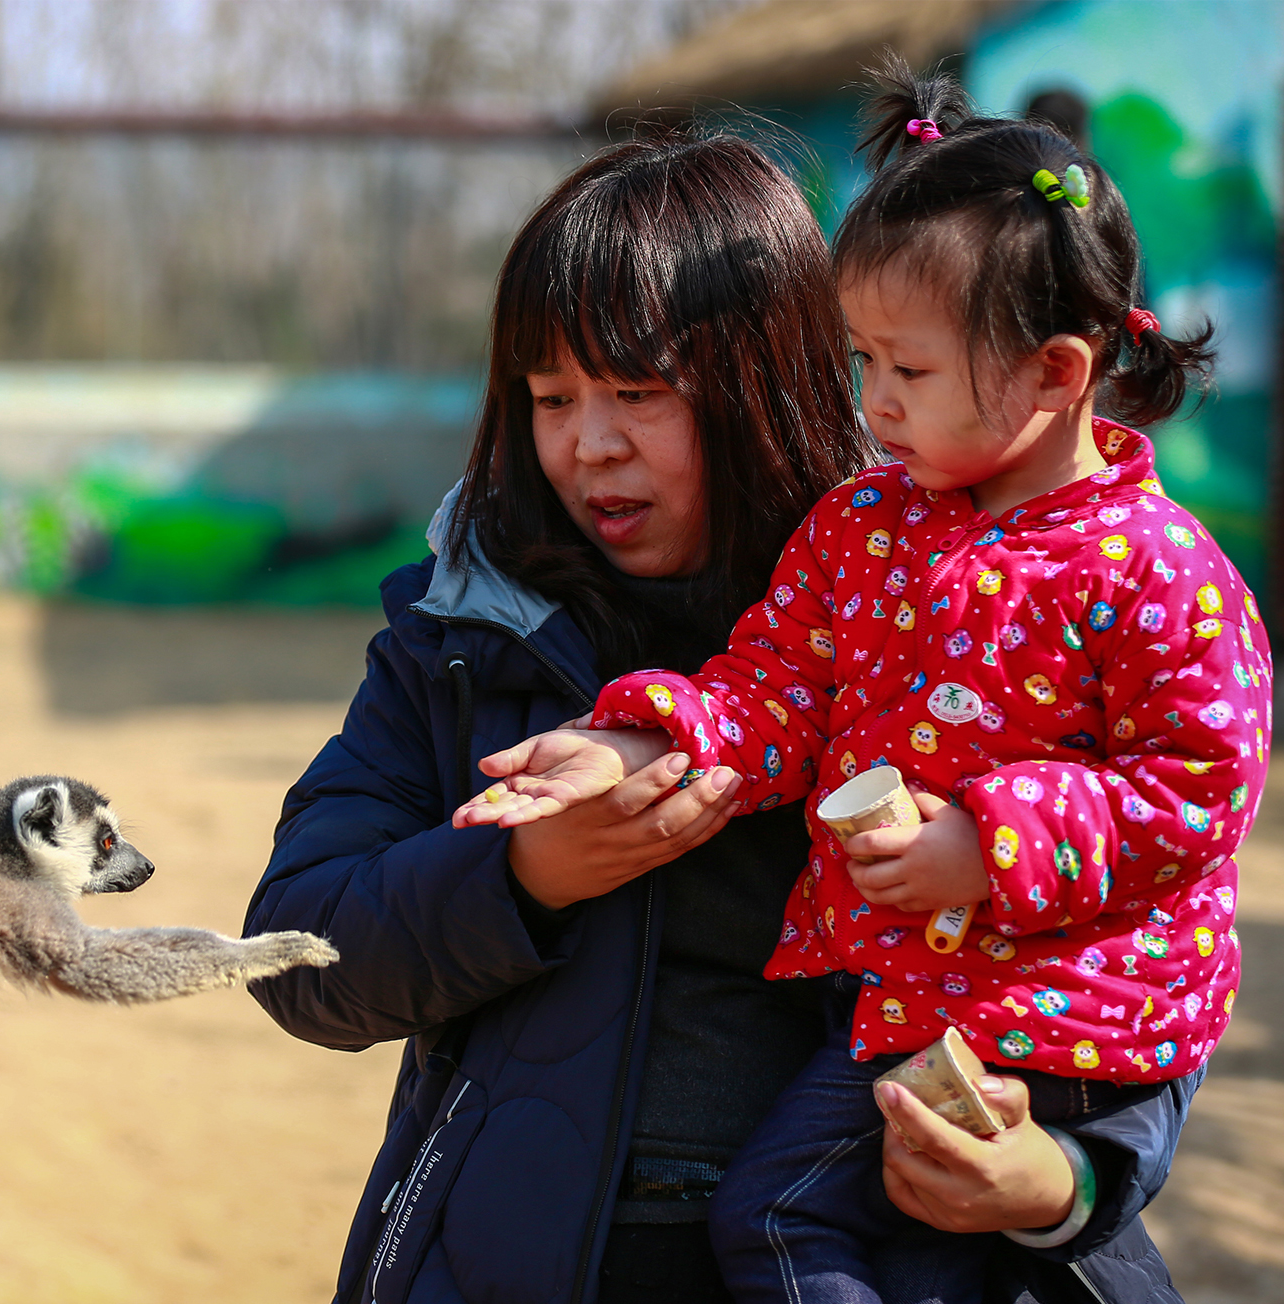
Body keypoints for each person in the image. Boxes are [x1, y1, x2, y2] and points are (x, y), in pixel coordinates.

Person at [245, 125, 1204, 1304]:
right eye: (550, 396)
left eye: (640, 392)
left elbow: (1150, 941)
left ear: (772, 376)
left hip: (897, 1245)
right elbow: (295, 952)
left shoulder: (962, 618)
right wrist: (525, 874)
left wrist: (1067, 1184)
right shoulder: (465, 635)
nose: (588, 444)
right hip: (533, 1258)